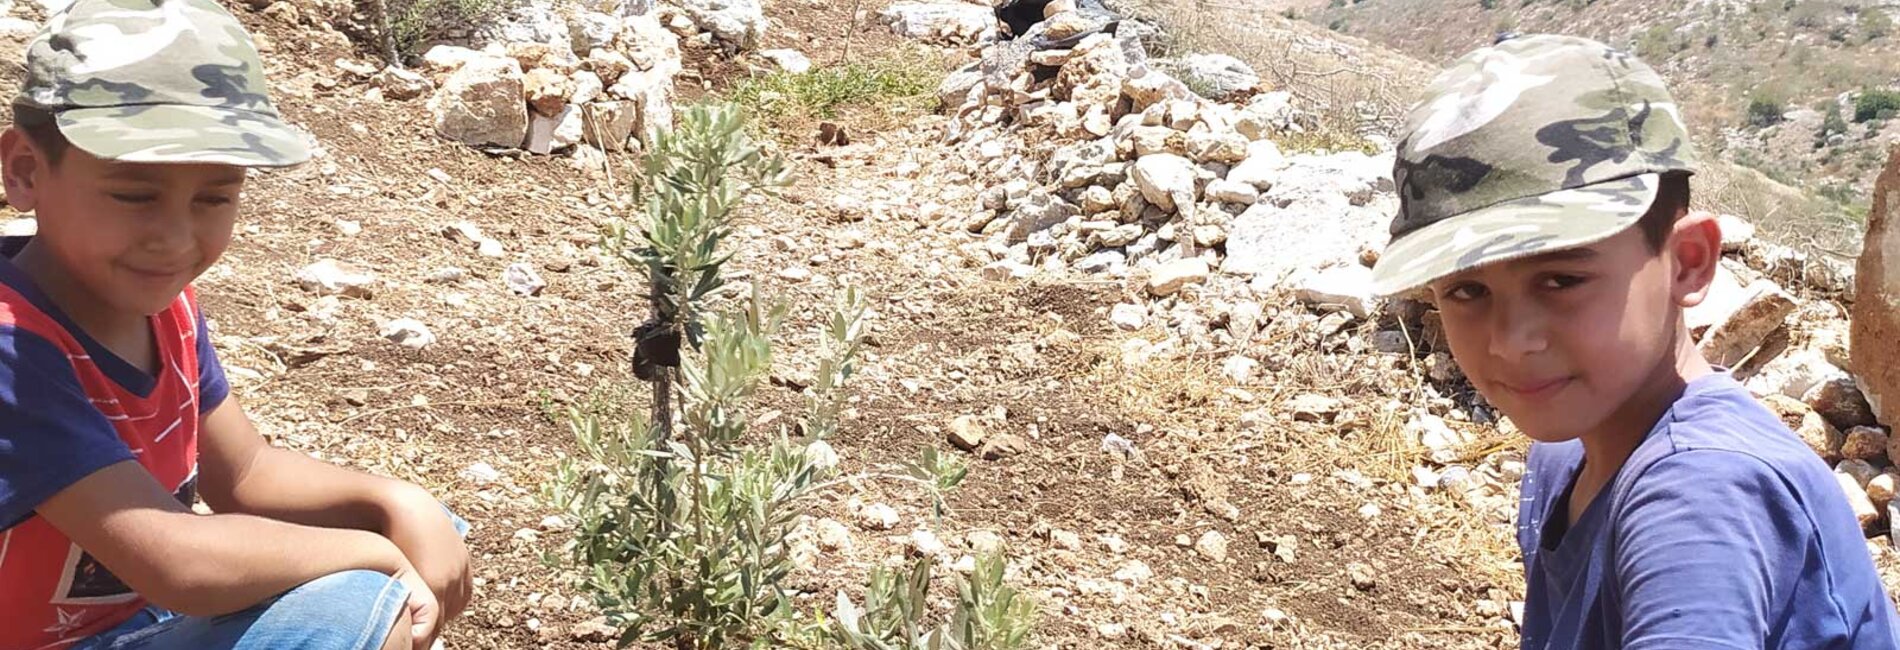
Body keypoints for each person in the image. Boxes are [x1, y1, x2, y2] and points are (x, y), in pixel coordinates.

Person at [1369, 34, 1900, 649]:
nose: (1511, 342)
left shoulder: (1702, 497)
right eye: (1466, 291)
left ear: (1688, 263)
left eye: (1562, 279)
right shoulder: (1567, 450)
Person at [0, 0, 472, 648]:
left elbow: (246, 475)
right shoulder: (13, 356)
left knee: (416, 531)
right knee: (359, 601)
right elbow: (177, 561)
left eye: (214, 198)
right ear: (26, 170)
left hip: (146, 627)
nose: (174, 239)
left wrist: (394, 503)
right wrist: (373, 555)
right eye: (135, 194)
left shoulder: (165, 310)